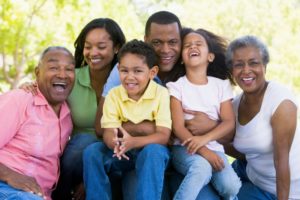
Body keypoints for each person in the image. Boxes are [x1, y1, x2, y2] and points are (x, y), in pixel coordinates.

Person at [98, 11, 222, 200]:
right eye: (156, 42)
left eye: (172, 42)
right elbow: (101, 126)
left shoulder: (193, 68)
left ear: (181, 42)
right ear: (145, 39)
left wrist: (211, 125)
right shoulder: (126, 70)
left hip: (186, 156)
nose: (165, 50)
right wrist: (149, 128)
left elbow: (230, 129)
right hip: (146, 155)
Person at [20, 18, 126, 200]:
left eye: (101, 46)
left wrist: (90, 179)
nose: (93, 52)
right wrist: (29, 85)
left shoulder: (127, 81)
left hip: (115, 154)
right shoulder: (71, 77)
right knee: (83, 142)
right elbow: (46, 89)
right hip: (74, 160)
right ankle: (58, 195)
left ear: (116, 48)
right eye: (88, 46)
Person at [83, 39, 171, 200]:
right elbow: (109, 131)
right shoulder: (114, 95)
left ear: (152, 73)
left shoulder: (161, 94)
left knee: (155, 151)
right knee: (93, 152)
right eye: (124, 71)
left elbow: (163, 136)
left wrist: (133, 142)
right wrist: (114, 144)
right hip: (122, 151)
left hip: (148, 153)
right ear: (118, 70)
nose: (130, 77)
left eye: (138, 71)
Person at [166, 28, 241, 200]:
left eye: (198, 44)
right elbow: (178, 127)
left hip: (215, 148)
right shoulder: (176, 87)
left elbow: (229, 122)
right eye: (187, 46)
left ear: (210, 56)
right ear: (182, 59)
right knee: (202, 169)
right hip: (185, 148)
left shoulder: (222, 86)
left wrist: (205, 140)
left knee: (230, 187)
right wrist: (203, 149)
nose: (193, 47)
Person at [225, 35, 300, 199]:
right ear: (232, 71)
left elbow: (281, 162)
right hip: (250, 171)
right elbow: (233, 146)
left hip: (279, 189)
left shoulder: (281, 102)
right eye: (239, 64)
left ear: (264, 66)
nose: (246, 70)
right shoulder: (235, 105)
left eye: (253, 63)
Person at [0, 46, 75, 200]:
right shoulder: (20, 100)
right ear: (37, 72)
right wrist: (9, 175)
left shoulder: (67, 116)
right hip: (6, 188)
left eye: (69, 69)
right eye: (53, 68)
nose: (62, 74)